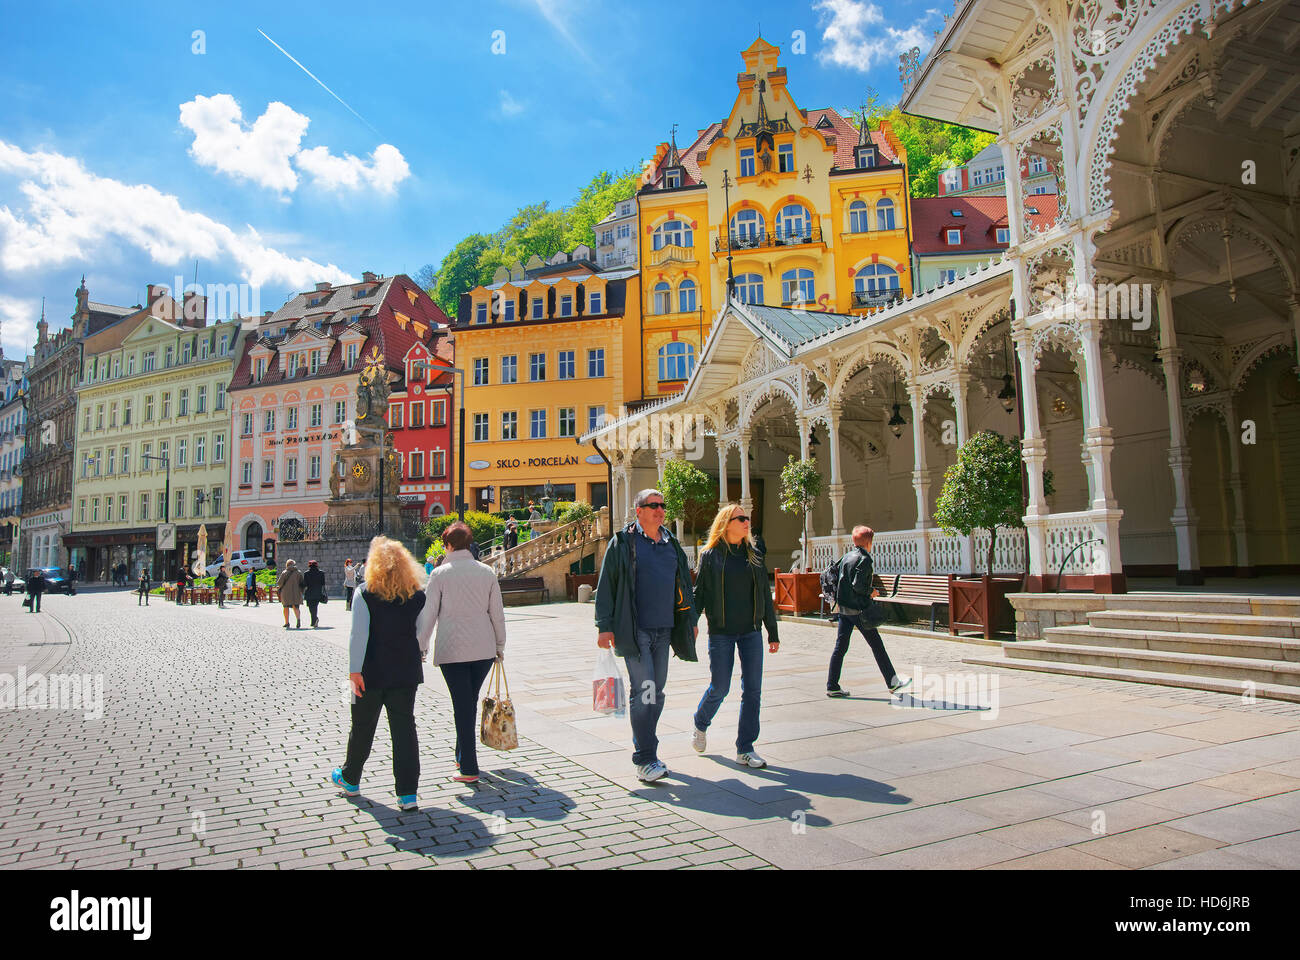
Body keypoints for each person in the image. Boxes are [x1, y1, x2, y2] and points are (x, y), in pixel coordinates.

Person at [594, 488, 697, 783]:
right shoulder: (624, 542)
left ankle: (648, 751)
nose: (660, 510)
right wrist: (604, 625)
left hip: (664, 630)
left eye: (662, 505)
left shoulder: (671, 543)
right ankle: (645, 758)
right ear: (638, 510)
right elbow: (608, 584)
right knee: (645, 691)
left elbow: (684, 585)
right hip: (635, 629)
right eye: (653, 505)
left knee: (657, 693)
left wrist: (689, 619)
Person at [333, 536, 431, 811]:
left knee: (362, 727)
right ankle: (408, 793)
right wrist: (419, 653)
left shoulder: (363, 593)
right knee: (404, 730)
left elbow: (358, 636)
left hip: (369, 673)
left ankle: (350, 779)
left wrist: (354, 671)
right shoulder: (417, 595)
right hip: (405, 673)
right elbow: (421, 633)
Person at [690, 503, 780, 768]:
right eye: (741, 518)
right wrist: (692, 624)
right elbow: (700, 593)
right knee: (720, 686)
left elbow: (764, 593)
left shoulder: (755, 554)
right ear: (726, 523)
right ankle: (700, 722)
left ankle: (745, 748)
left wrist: (772, 631)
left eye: (747, 518)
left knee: (753, 691)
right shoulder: (710, 555)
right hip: (721, 632)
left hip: (751, 631)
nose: (746, 521)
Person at [418, 521, 506, 784]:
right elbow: (497, 615)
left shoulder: (439, 575)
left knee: (462, 705)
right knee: (467, 702)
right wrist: (500, 646)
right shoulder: (486, 572)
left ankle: (468, 766)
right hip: (483, 650)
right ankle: (461, 755)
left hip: (452, 649)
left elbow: (428, 614)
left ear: (447, 545)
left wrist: (420, 646)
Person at [826, 526, 912, 698]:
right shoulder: (864, 559)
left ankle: (832, 685)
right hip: (858, 610)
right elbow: (858, 585)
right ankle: (892, 683)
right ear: (869, 542)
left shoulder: (847, 556)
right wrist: (871, 591)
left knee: (840, 647)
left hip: (844, 610)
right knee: (877, 646)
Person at [278, 559, 305, 629]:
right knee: (296, 607)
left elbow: (280, 583)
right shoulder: (298, 572)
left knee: (286, 607)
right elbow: (302, 583)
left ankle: (287, 622)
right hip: (296, 592)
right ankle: (298, 620)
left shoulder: (284, 572)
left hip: (286, 593)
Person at [303, 559, 326, 628]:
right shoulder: (321, 573)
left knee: (311, 607)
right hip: (318, 592)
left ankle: (314, 620)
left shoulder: (306, 573)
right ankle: (314, 620)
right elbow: (323, 583)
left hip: (309, 592)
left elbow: (305, 584)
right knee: (315, 607)